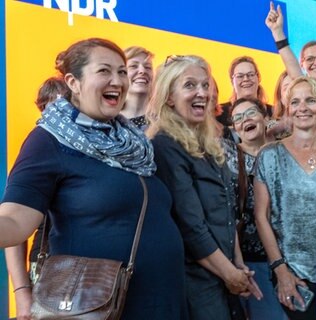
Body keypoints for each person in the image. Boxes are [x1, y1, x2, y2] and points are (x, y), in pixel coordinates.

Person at [0, 38, 187, 319]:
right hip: (96, 308)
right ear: (73, 82)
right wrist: (21, 291)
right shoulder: (48, 140)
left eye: (122, 71)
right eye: (104, 71)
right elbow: (14, 221)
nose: (118, 80)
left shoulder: (134, 142)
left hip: (161, 301)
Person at [146, 54, 261, 320]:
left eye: (205, 85)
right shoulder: (165, 145)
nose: (202, 92)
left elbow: (226, 213)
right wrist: (230, 274)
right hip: (195, 283)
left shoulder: (208, 143)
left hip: (222, 273)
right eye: (189, 85)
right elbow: (191, 226)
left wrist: (237, 262)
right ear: (169, 97)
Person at [254, 76, 316, 320]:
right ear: (288, 109)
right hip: (289, 274)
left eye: (310, 100)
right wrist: (280, 269)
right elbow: (261, 217)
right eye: (296, 102)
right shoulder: (269, 155)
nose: (303, 108)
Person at [5, 76, 71, 320]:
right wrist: (22, 295)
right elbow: (13, 226)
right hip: (47, 268)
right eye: (49, 108)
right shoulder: (39, 146)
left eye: (65, 106)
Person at [223, 98, 287, 320]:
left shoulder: (285, 152)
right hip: (251, 259)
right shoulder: (226, 155)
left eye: (251, 113)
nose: (245, 120)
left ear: (265, 118)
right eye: (238, 118)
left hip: (288, 256)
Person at [265, 1, 316, 90]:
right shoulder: (305, 91)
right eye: (310, 59)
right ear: (301, 64)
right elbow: (294, 72)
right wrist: (277, 31)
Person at [216, 56, 273, 130]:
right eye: (240, 76)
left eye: (251, 75)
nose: (246, 79)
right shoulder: (220, 113)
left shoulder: (274, 112)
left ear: (258, 78)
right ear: (232, 82)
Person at [122, 46, 154, 129]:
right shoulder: (108, 119)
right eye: (133, 66)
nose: (142, 71)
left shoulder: (166, 119)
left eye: (148, 67)